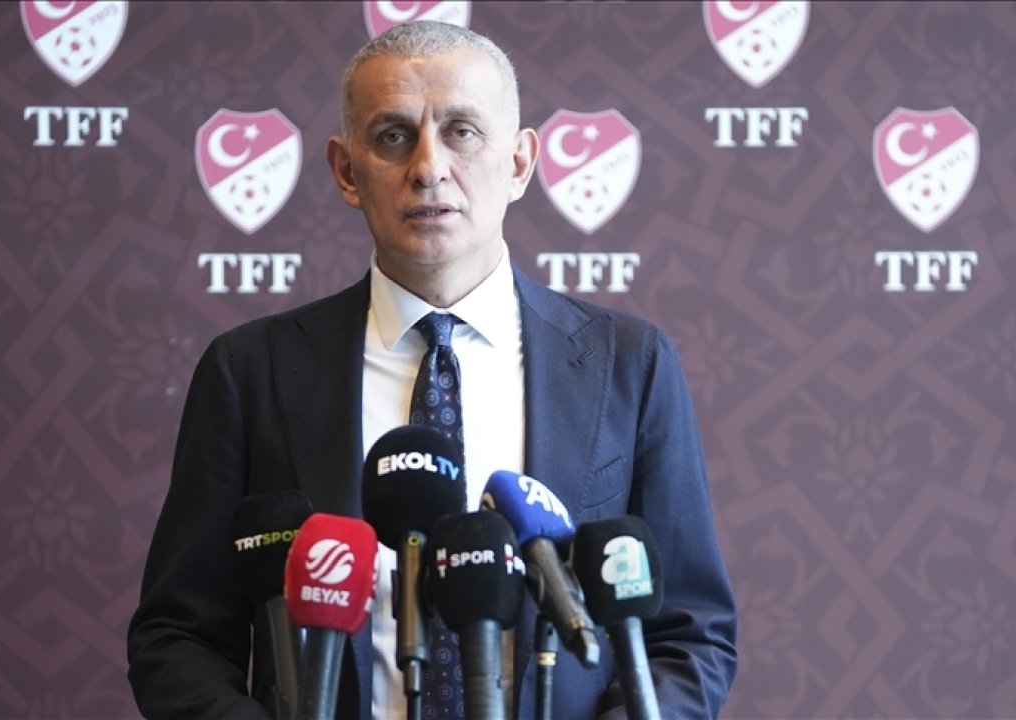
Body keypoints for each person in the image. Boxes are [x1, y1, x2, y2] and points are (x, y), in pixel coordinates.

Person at [127, 20, 738, 720]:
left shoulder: (629, 364)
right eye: (393, 136)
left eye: (462, 132)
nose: (428, 167)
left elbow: (690, 635)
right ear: (346, 171)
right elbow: (178, 638)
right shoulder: (251, 371)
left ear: (519, 162)